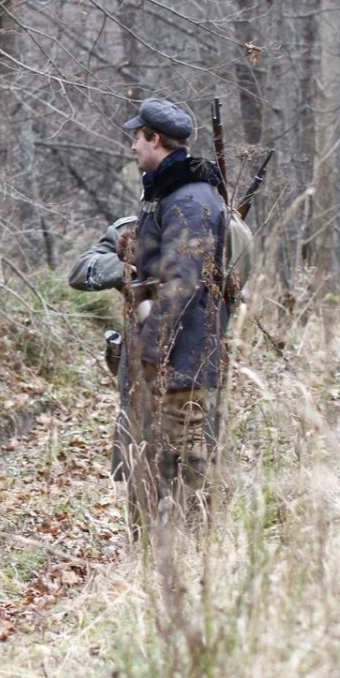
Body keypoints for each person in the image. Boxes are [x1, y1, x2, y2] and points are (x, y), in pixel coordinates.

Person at [120, 98, 228, 528]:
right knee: (157, 451)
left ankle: (195, 548)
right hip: (171, 350)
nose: (132, 146)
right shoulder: (170, 192)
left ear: (156, 140)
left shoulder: (188, 198)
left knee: (184, 454)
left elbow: (183, 282)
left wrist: (150, 350)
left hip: (181, 355)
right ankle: (155, 545)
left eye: (137, 137)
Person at [67, 215, 137, 482]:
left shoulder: (214, 223)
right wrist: (128, 264)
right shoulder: (132, 228)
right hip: (140, 360)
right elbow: (80, 271)